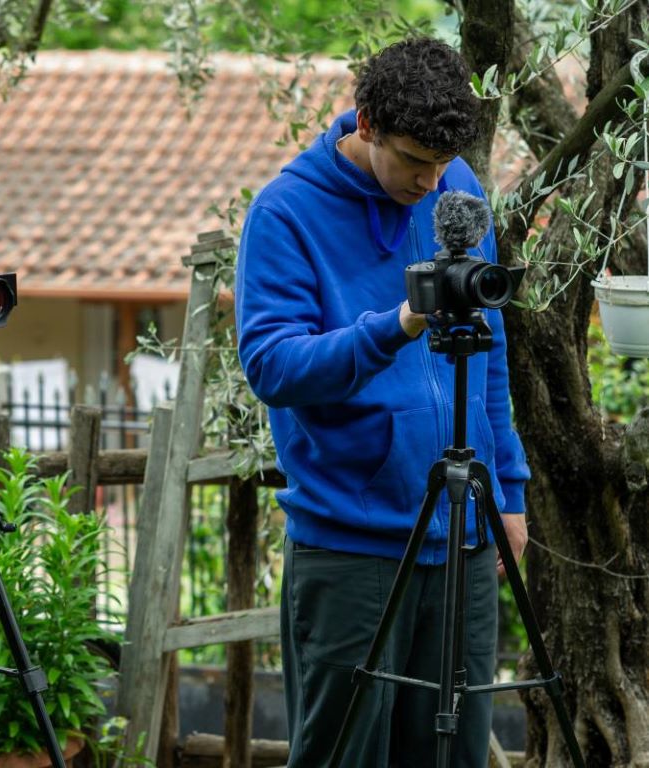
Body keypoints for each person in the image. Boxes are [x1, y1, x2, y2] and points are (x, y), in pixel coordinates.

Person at [235, 38, 530, 766]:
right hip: (351, 544)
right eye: (414, 162)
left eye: (443, 163)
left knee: (454, 755)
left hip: (463, 535)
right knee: (347, 755)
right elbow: (272, 366)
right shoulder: (286, 213)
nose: (431, 184)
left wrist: (510, 490)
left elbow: (488, 351)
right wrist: (395, 326)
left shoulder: (454, 184)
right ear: (366, 125)